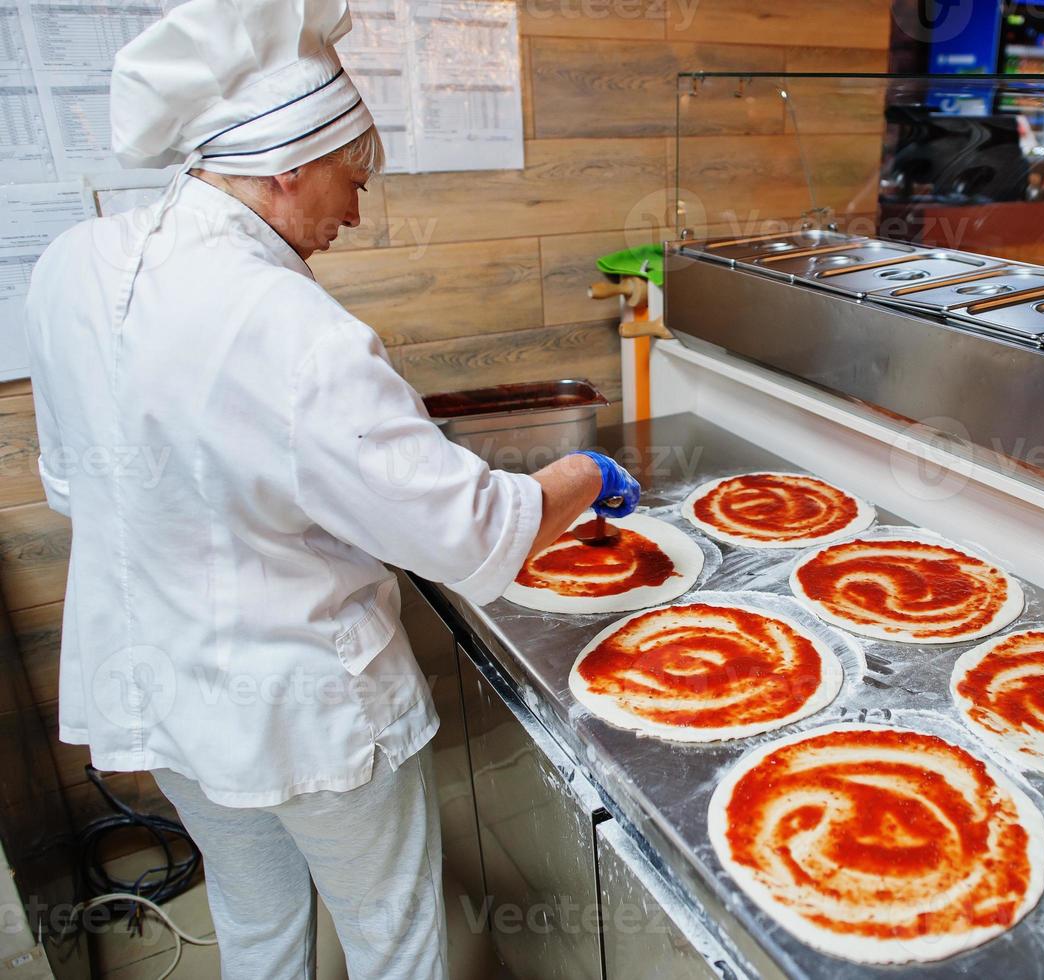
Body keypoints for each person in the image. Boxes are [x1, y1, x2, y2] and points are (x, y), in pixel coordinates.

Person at [22, 0, 639, 976]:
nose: (353, 214)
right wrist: (580, 473)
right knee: (394, 937)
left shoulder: (72, 268)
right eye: (350, 183)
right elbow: (470, 535)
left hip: (165, 693)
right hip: (306, 709)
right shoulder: (292, 326)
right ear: (286, 165)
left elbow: (71, 484)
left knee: (257, 917)